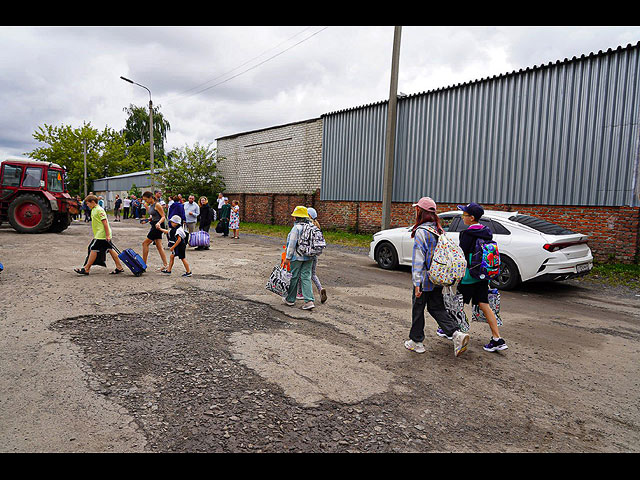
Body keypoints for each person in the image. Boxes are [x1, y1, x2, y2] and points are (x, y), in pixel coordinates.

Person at [404, 196, 470, 357]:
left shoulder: (421, 232)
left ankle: (416, 342)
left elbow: (419, 260)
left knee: (418, 309)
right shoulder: (439, 229)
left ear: (420, 211)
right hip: (438, 278)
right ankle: (456, 334)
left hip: (425, 279)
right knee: (436, 307)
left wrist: (417, 283)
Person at [457, 202, 508, 353]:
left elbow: (462, 255)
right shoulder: (486, 231)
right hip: (483, 275)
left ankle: (451, 331)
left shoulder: (467, 234)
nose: (462, 217)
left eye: (464, 215)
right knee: (484, 304)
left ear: (471, 218)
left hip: (469, 275)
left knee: (458, 303)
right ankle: (497, 339)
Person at [74, 195, 125, 275]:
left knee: (93, 248)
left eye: (88, 203)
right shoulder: (94, 209)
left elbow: (105, 223)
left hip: (102, 234)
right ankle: (119, 267)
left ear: (93, 202)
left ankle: (86, 268)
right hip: (100, 234)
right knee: (110, 249)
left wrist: (107, 235)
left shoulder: (99, 210)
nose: (87, 205)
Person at [282, 206, 315, 310]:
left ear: (296, 217)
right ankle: (309, 300)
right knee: (306, 277)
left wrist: (288, 257)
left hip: (297, 256)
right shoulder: (312, 226)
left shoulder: (296, 228)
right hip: (310, 256)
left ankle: (290, 300)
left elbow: (292, 244)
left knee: (294, 277)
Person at [296, 207, 327, 303]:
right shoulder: (317, 226)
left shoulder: (307, 226)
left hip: (306, 254)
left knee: (303, 274)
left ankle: (300, 293)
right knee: (312, 274)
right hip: (314, 255)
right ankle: (320, 288)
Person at [140, 191, 168, 271]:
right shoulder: (151, 205)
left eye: (146, 200)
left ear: (150, 197)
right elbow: (154, 216)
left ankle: (143, 265)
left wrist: (159, 223)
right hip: (154, 224)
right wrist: (147, 220)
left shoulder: (157, 205)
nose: (146, 201)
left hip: (157, 226)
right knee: (159, 246)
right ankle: (166, 265)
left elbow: (163, 216)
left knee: (145, 243)